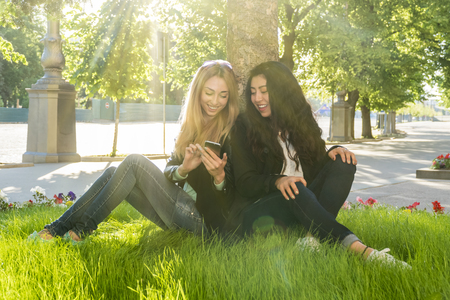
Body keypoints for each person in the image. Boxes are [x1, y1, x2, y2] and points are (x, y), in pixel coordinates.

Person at [226, 61, 410, 268]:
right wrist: (278, 181)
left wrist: (333, 152)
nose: (257, 99)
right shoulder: (244, 126)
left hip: (300, 201)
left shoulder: (301, 121)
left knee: (344, 161)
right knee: (295, 187)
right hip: (261, 213)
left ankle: (311, 238)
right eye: (253, 92)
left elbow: (315, 165)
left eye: (264, 91)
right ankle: (362, 251)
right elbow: (245, 182)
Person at [29, 60, 239, 241]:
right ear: (198, 92)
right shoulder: (191, 128)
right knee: (114, 174)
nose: (214, 102)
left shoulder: (232, 130)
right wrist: (183, 169)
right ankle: (55, 230)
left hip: (203, 222)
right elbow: (169, 172)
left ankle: (81, 231)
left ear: (229, 97)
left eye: (223, 95)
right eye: (209, 93)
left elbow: (236, 195)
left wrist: (219, 177)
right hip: (176, 213)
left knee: (134, 162)